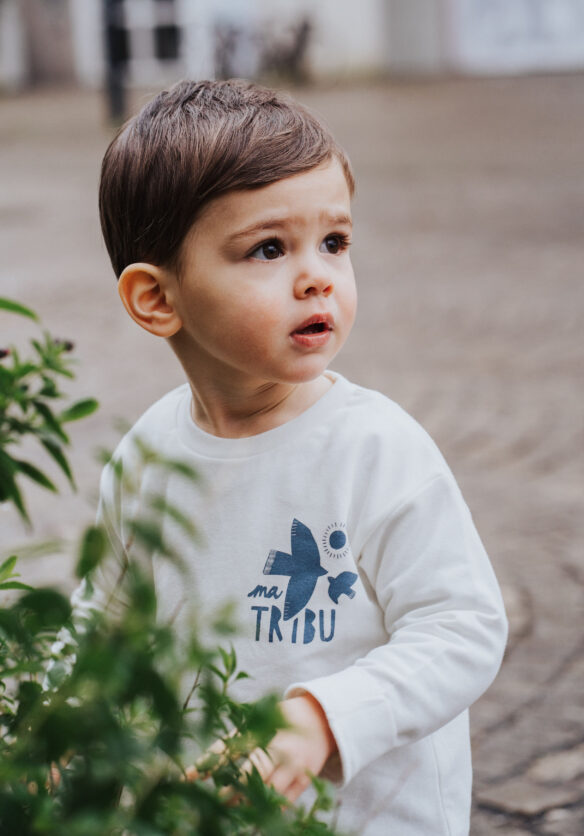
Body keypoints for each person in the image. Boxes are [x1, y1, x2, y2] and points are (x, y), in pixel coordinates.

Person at [94, 79, 508, 834]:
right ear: (158, 299)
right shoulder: (148, 456)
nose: (318, 274)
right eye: (268, 248)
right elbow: (109, 625)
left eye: (335, 242)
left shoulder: (376, 450)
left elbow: (462, 626)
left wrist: (325, 720)